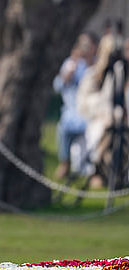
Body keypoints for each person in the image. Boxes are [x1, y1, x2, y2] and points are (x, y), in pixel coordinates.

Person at [77, 32, 129, 188]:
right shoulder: (94, 76)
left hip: (124, 124)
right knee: (104, 133)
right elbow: (84, 104)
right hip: (101, 123)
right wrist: (106, 113)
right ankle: (102, 173)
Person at [53, 32, 97, 179]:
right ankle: (64, 163)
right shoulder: (71, 63)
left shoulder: (96, 64)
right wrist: (72, 67)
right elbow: (58, 85)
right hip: (72, 112)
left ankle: (94, 171)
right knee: (63, 128)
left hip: (90, 113)